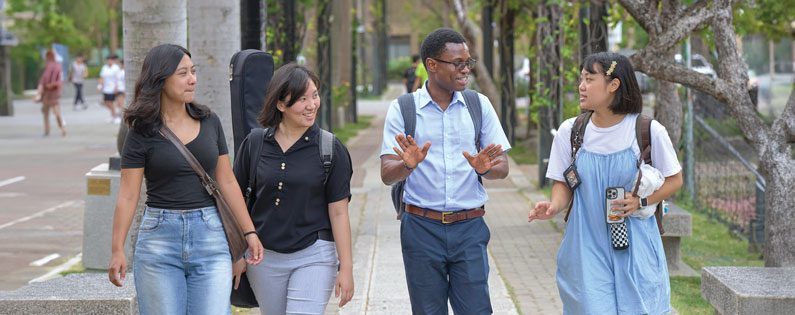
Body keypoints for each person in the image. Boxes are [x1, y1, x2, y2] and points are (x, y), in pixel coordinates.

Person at [107, 44, 264, 315]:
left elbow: (226, 181)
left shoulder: (209, 121)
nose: (192, 79)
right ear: (160, 78)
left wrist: (249, 232)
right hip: (159, 241)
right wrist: (117, 249)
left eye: (193, 71)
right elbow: (128, 195)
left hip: (211, 238)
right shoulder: (141, 131)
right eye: (183, 73)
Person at [527, 52, 683, 314]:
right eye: (581, 79)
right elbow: (563, 184)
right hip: (586, 244)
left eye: (589, 79)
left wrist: (641, 201)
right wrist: (554, 206)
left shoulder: (647, 130)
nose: (581, 86)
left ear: (614, 85)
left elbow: (674, 180)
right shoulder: (571, 132)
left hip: (636, 246)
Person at [380, 28, 511, 314]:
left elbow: (502, 167)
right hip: (421, 228)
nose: (465, 70)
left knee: (477, 310)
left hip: (469, 227)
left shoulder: (478, 105)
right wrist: (407, 164)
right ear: (432, 65)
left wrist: (486, 169)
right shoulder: (403, 108)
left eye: (468, 62)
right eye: (458, 63)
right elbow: (387, 173)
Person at [232, 63, 354, 315]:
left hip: (315, 253)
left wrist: (347, 268)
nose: (312, 105)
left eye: (315, 96)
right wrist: (237, 253)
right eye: (302, 99)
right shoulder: (255, 143)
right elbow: (235, 202)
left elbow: (339, 213)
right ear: (280, 104)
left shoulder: (330, 149)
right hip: (263, 257)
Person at [37, 49, 66, 137]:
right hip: (47, 93)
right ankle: (47, 130)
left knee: (56, 112)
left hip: (54, 93)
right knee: (45, 112)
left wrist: (52, 85)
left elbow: (60, 81)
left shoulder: (57, 67)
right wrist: (40, 90)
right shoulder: (47, 67)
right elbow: (42, 80)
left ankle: (62, 128)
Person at [98, 54, 121, 123]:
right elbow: (102, 77)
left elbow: (118, 78)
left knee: (111, 102)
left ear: (113, 61)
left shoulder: (116, 68)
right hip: (106, 88)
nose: (109, 61)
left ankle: (114, 116)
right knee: (106, 103)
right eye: (108, 60)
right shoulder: (104, 67)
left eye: (111, 60)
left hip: (113, 88)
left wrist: (116, 87)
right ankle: (114, 113)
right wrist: (99, 86)